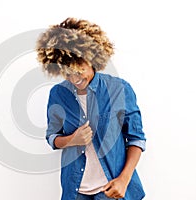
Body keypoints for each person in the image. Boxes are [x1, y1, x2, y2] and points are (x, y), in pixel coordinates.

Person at [35, 17, 146, 200]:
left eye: (79, 71)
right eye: (67, 73)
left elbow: (136, 139)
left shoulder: (119, 89)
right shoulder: (58, 94)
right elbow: (52, 137)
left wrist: (123, 180)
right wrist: (72, 139)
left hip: (111, 189)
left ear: (92, 59)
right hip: (75, 190)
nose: (74, 79)